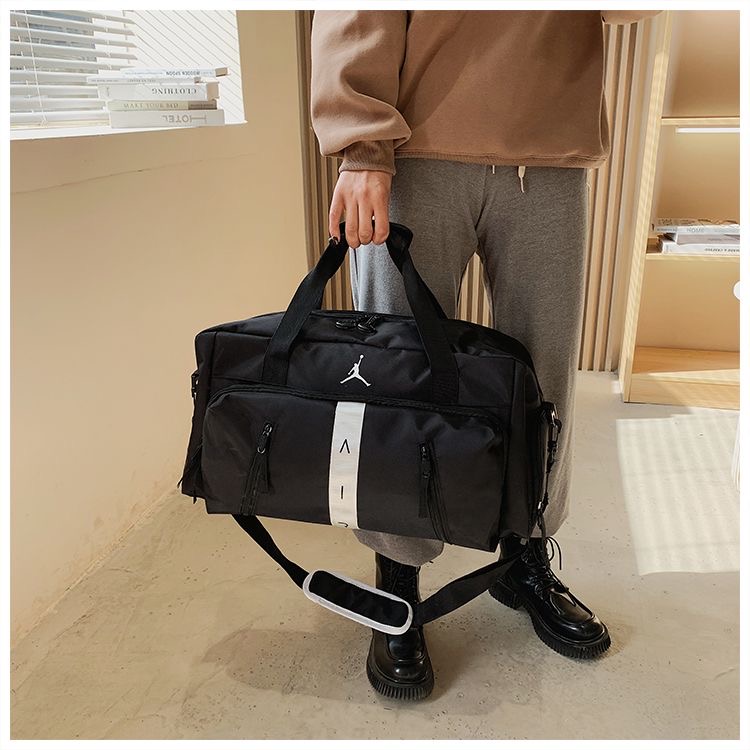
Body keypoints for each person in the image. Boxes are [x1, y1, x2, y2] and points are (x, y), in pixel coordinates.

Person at [310, 9, 660, 701]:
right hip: (416, 147)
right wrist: (362, 146)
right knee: (396, 381)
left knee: (543, 378)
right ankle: (398, 575)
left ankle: (525, 555)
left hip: (550, 148)